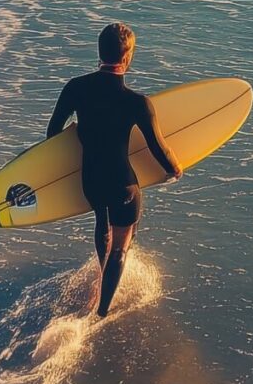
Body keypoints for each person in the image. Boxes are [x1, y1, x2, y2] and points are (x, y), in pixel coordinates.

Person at [50, 23, 182, 317]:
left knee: (102, 220)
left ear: (99, 52)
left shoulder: (75, 88)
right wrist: (174, 168)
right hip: (122, 185)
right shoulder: (137, 103)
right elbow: (157, 148)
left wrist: (78, 133)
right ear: (126, 58)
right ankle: (102, 312)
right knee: (123, 243)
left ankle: (101, 275)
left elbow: (52, 135)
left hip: (90, 181)